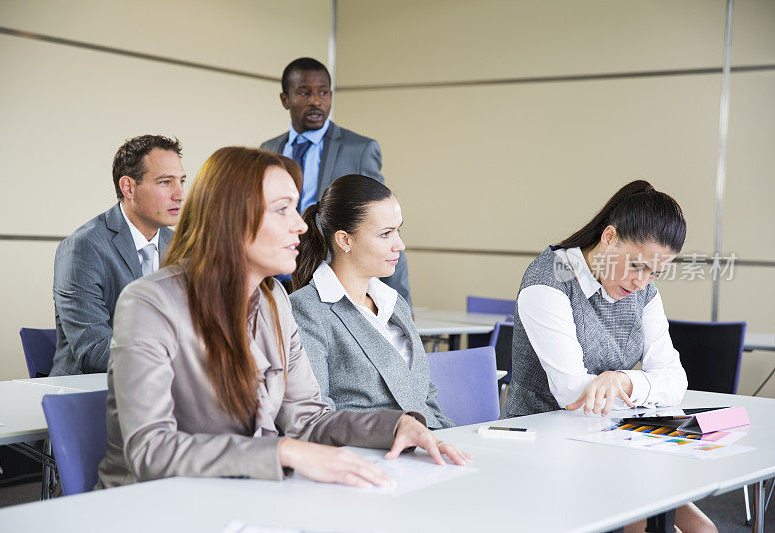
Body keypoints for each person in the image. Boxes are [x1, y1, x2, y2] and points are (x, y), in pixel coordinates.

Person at [96, 147, 469, 489]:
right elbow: (149, 451)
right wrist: (284, 452)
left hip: (243, 493)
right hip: (154, 507)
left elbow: (308, 420)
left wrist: (396, 424)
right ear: (233, 219)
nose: (302, 225)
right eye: (281, 209)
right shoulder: (149, 302)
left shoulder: (274, 298)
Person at [503, 180, 716, 533]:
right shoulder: (548, 281)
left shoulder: (642, 290)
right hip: (547, 440)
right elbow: (573, 394)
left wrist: (624, 380)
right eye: (636, 266)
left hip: (616, 437)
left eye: (654, 272)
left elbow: (675, 379)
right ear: (608, 237)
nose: (642, 282)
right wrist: (645, 389)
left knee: (704, 530)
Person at [290, 175, 454, 429]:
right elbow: (316, 418)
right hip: (370, 454)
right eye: (385, 234)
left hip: (427, 448)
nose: (400, 245)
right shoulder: (307, 310)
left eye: (398, 230)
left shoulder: (393, 302)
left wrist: (449, 438)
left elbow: (424, 396)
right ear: (345, 240)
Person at [261, 57, 411, 305]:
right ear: (285, 99)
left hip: (329, 279)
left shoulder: (359, 149)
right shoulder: (268, 149)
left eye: (323, 92)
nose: (316, 101)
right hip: (275, 278)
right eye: (304, 92)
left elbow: (383, 222)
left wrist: (402, 302)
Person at [50, 135, 185, 376]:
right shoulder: (83, 248)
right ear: (128, 188)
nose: (179, 195)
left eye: (181, 181)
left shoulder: (180, 247)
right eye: (165, 182)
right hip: (90, 395)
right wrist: (184, 360)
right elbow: (94, 351)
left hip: (164, 390)